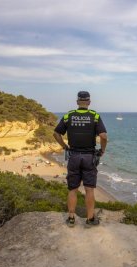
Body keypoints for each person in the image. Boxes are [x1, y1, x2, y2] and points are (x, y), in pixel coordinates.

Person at [53, 91, 108, 227]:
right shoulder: (94, 116)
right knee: (89, 189)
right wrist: (102, 150)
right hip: (89, 157)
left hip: (74, 156)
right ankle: (90, 219)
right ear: (89, 102)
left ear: (77, 102)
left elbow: (56, 133)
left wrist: (65, 147)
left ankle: (71, 218)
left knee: (72, 189)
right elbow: (104, 136)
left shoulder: (68, 116)